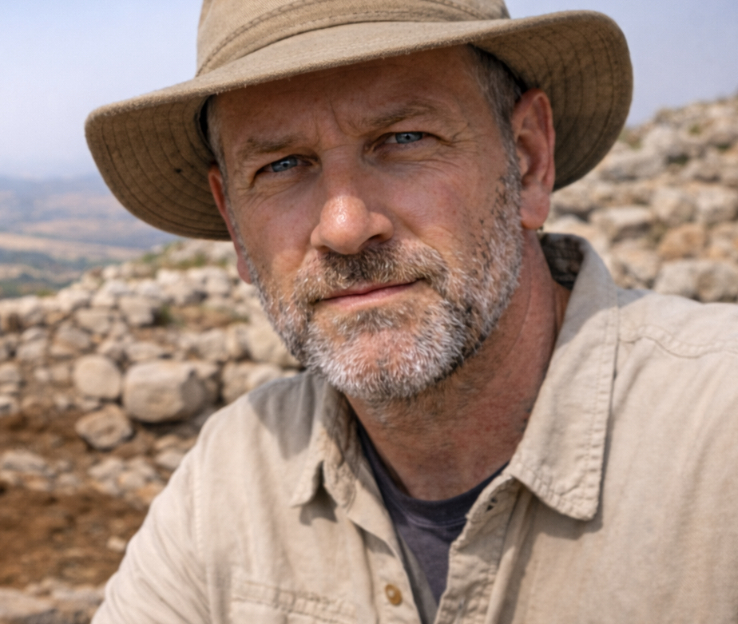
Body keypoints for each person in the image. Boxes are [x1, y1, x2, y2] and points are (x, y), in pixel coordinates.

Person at [84, 1, 738, 622]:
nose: (343, 228)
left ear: (529, 161)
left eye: (403, 137)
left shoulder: (718, 437)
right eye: (282, 165)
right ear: (234, 225)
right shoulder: (228, 480)